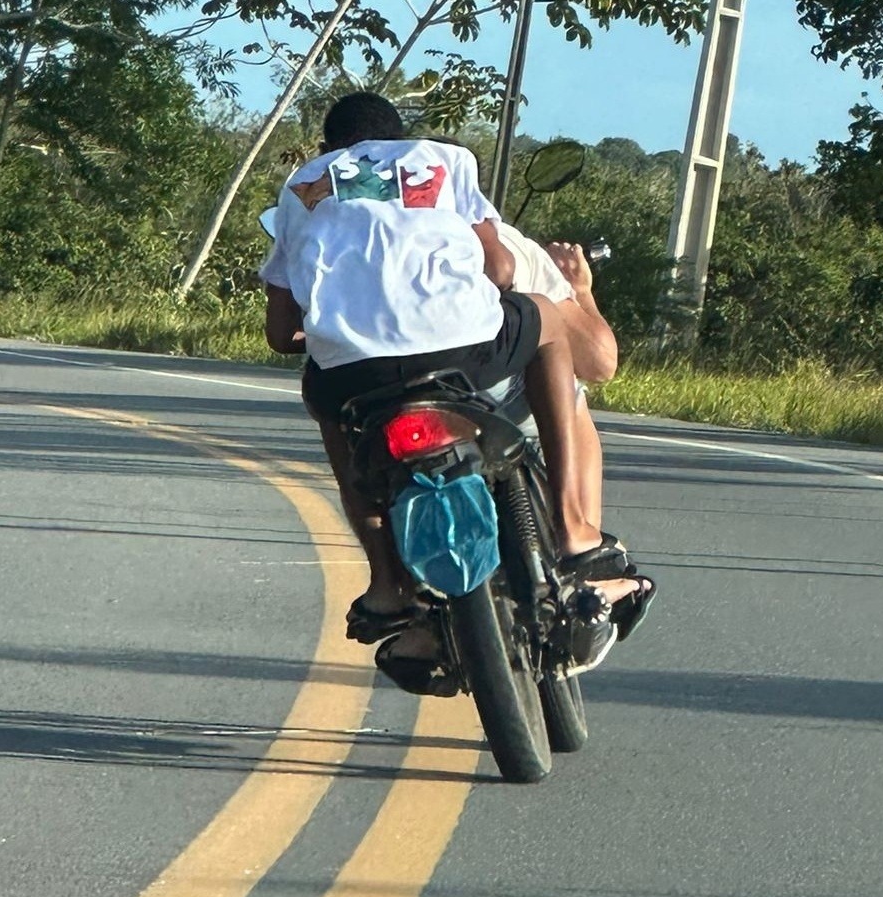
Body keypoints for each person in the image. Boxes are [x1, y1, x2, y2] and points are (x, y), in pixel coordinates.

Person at [258, 92, 630, 676]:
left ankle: (387, 582)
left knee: (320, 393)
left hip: (361, 375)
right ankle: (573, 529)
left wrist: (341, 332)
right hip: (464, 352)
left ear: (330, 148)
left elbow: (281, 333)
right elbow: (502, 272)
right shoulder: (441, 160)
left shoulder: (303, 185)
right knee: (551, 323)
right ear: (398, 136)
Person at [493, 223, 656, 639]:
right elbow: (600, 361)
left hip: (373, 391)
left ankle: (395, 590)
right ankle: (581, 545)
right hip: (481, 392)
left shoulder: (321, 226)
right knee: (569, 382)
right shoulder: (501, 241)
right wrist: (580, 291)